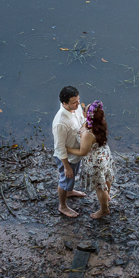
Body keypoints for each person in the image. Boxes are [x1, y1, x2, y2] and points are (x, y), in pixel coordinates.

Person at [66, 99, 115, 219]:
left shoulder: (89, 133)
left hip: (95, 162)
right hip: (104, 154)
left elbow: (83, 152)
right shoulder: (100, 122)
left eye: (84, 109)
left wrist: (67, 148)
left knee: (99, 187)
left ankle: (104, 209)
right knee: (106, 178)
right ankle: (107, 196)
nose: (82, 108)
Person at [52, 85, 88, 218]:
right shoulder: (60, 123)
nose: (78, 104)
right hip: (67, 158)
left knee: (71, 178)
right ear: (64, 103)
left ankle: (70, 191)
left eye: (78, 100)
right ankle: (62, 206)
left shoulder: (76, 107)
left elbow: (81, 120)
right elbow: (59, 148)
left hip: (76, 153)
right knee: (65, 179)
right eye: (74, 102)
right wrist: (66, 167)